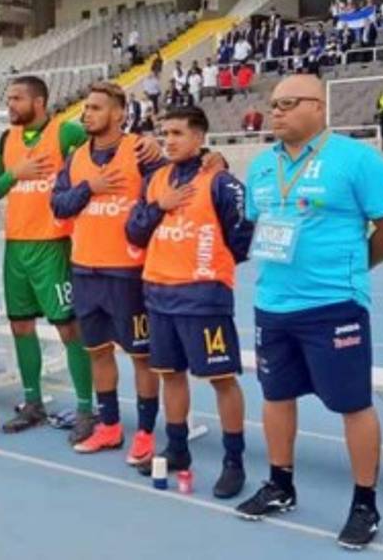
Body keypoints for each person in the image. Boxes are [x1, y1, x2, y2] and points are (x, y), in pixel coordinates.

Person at [236, 74, 383, 550]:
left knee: (352, 404)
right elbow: (261, 225)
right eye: (272, 104)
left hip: (334, 305)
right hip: (272, 304)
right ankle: (280, 484)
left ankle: (363, 504)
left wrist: (354, 271)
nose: (276, 112)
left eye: (288, 103)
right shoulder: (261, 167)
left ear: (318, 107)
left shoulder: (356, 159)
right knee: (275, 396)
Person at [0, 76, 160, 443]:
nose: (10, 105)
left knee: (72, 330)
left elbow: (116, 149)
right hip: (15, 245)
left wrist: (147, 141)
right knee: (20, 326)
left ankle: (88, 408)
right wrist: (12, 175)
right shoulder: (7, 139)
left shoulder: (66, 132)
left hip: (56, 246)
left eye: (16, 98)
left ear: (38, 102)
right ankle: (33, 402)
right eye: (8, 98)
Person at [126, 105, 254, 497]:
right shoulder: (156, 179)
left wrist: (208, 263)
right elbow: (133, 231)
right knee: (169, 374)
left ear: (199, 137)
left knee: (221, 379)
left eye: (178, 133)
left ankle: (234, 462)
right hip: (159, 294)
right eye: (165, 133)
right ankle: (178, 449)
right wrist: (157, 207)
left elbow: (243, 234)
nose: (169, 140)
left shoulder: (221, 180)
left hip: (203, 297)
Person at [51, 81, 164, 464]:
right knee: (98, 352)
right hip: (85, 270)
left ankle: (146, 433)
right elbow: (59, 205)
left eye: (97, 108)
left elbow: (177, 180)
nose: (88, 114)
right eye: (86, 108)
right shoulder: (77, 157)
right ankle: (111, 426)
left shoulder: (142, 151)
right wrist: (89, 187)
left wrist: (213, 160)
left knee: (141, 356)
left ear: (118, 113)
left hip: (128, 272)